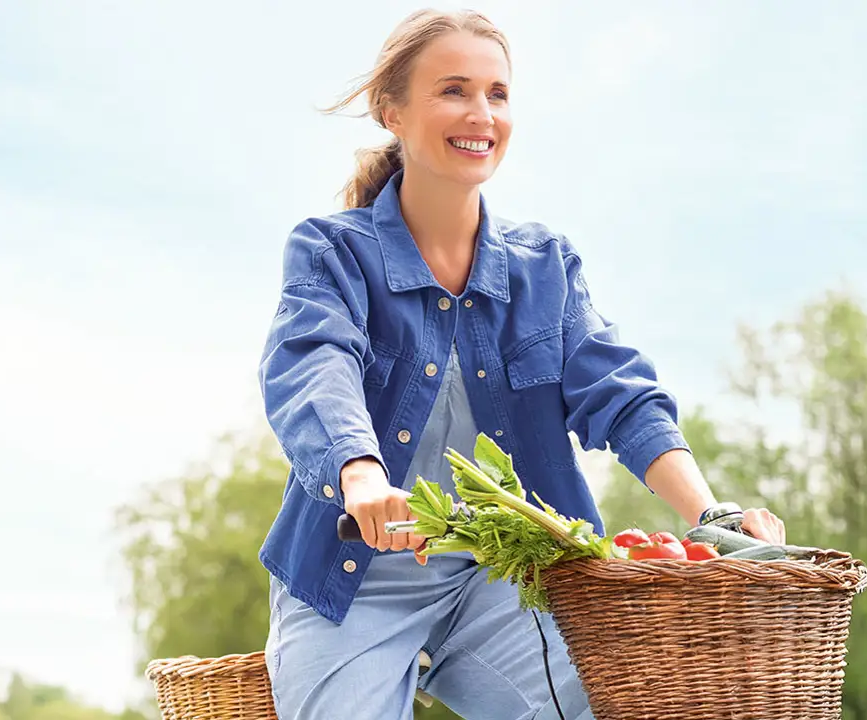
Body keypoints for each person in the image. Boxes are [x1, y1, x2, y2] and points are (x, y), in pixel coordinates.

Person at [257, 8, 788, 720]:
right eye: (453, 90)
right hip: (355, 580)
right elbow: (311, 363)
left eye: (497, 94)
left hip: (508, 579)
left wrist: (711, 514)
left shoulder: (546, 268)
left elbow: (620, 393)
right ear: (393, 111)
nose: (481, 113)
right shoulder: (332, 253)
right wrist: (361, 476)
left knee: (610, 706)